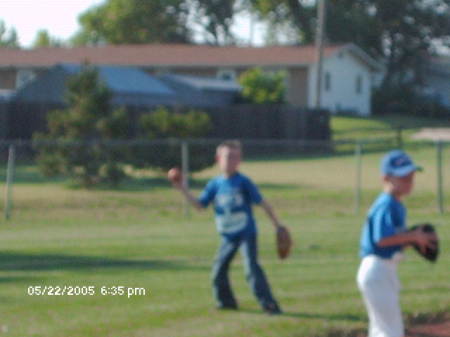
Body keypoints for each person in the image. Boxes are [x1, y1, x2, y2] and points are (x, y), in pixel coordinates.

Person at [171, 140, 284, 315]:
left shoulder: (243, 182)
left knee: (251, 268)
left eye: (236, 157)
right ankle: (226, 302)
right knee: (218, 270)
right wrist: (183, 189)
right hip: (228, 235)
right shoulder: (215, 184)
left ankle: (269, 304)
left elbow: (263, 203)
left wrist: (278, 226)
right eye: (228, 157)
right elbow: (200, 206)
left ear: (240, 161)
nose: (232, 161)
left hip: (246, 232)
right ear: (218, 159)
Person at [357, 150, 437, 337]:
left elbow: (391, 241)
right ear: (386, 178)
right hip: (377, 270)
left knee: (381, 329)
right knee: (391, 331)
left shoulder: (395, 204)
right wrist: (413, 236)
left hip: (382, 270)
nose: (409, 181)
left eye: (411, 176)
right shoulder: (387, 204)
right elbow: (381, 239)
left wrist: (415, 241)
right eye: (403, 177)